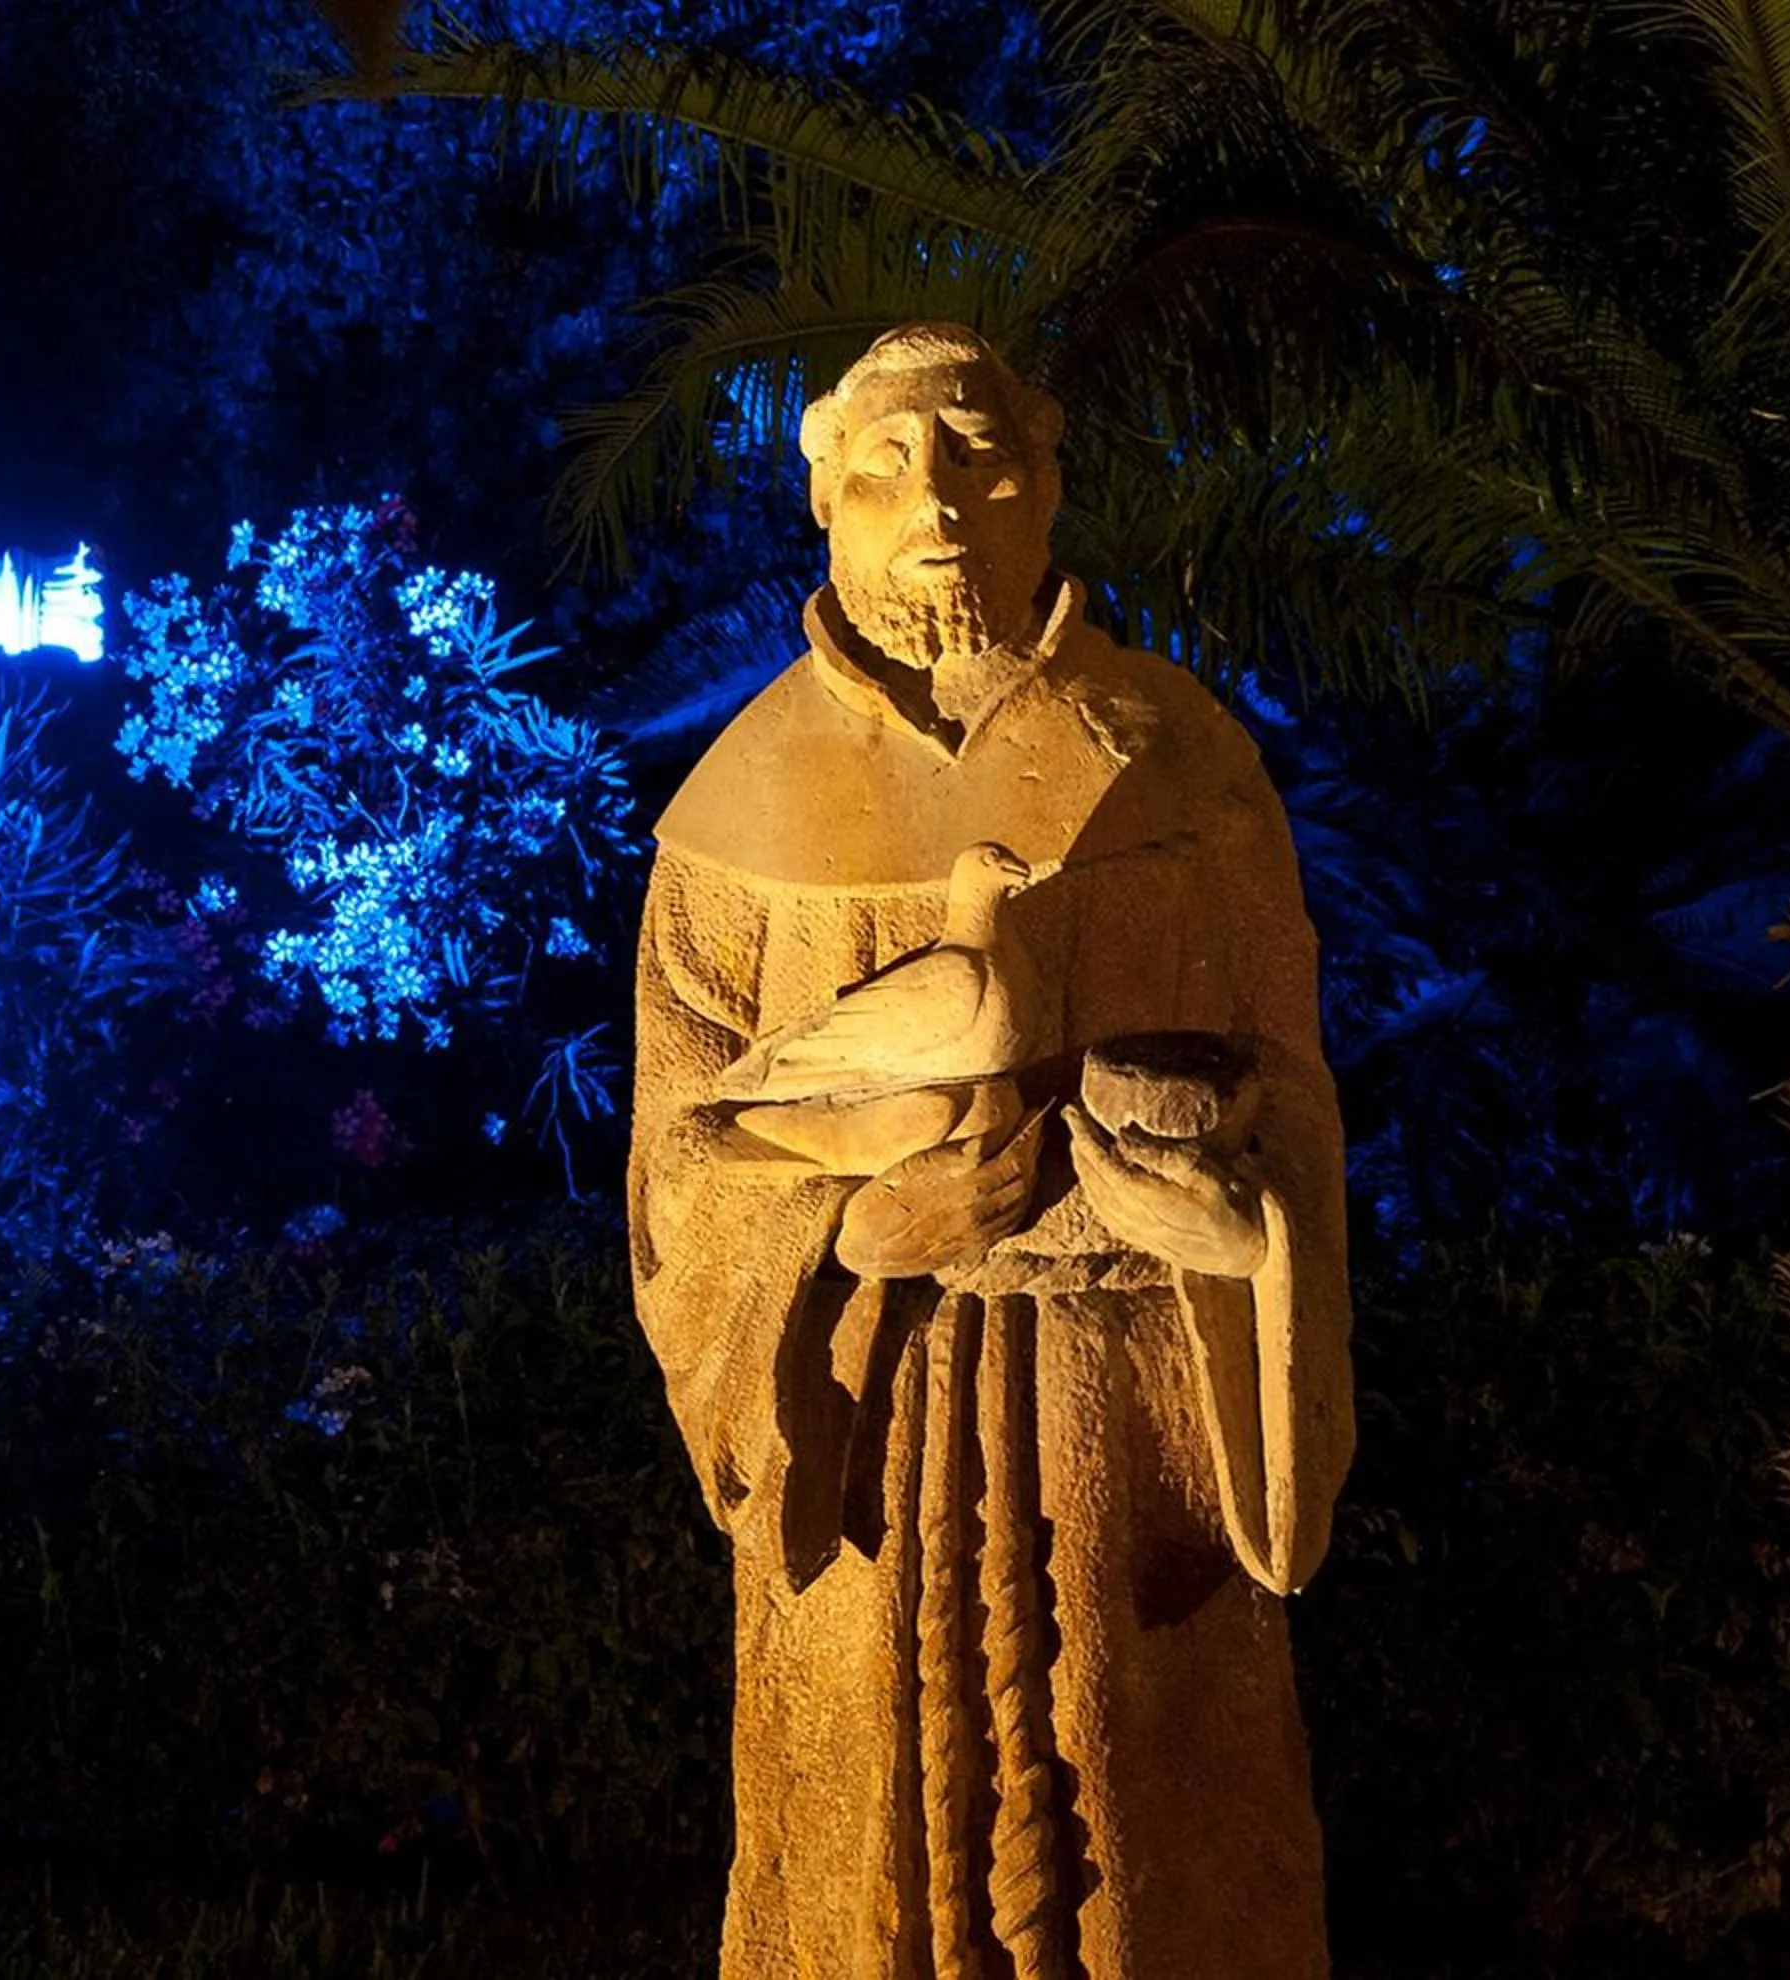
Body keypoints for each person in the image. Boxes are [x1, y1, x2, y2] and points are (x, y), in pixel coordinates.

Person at [627, 323, 1355, 1978]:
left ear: (1049, 477)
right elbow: (681, 1169)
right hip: (868, 1436)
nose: (937, 505)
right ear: (824, 495)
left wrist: (1246, 1243)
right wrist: (848, 1235)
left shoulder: (1183, 763)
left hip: (1139, 1440)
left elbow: (1294, 1093)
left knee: (1146, 1877)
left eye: (978, 457)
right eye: (887, 467)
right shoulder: (740, 816)